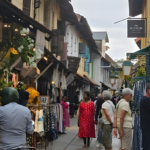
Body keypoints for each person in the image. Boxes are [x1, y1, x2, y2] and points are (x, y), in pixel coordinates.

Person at [140, 83, 150, 150]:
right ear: (149, 90)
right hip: (147, 126)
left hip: (147, 126)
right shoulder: (145, 99)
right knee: (147, 145)